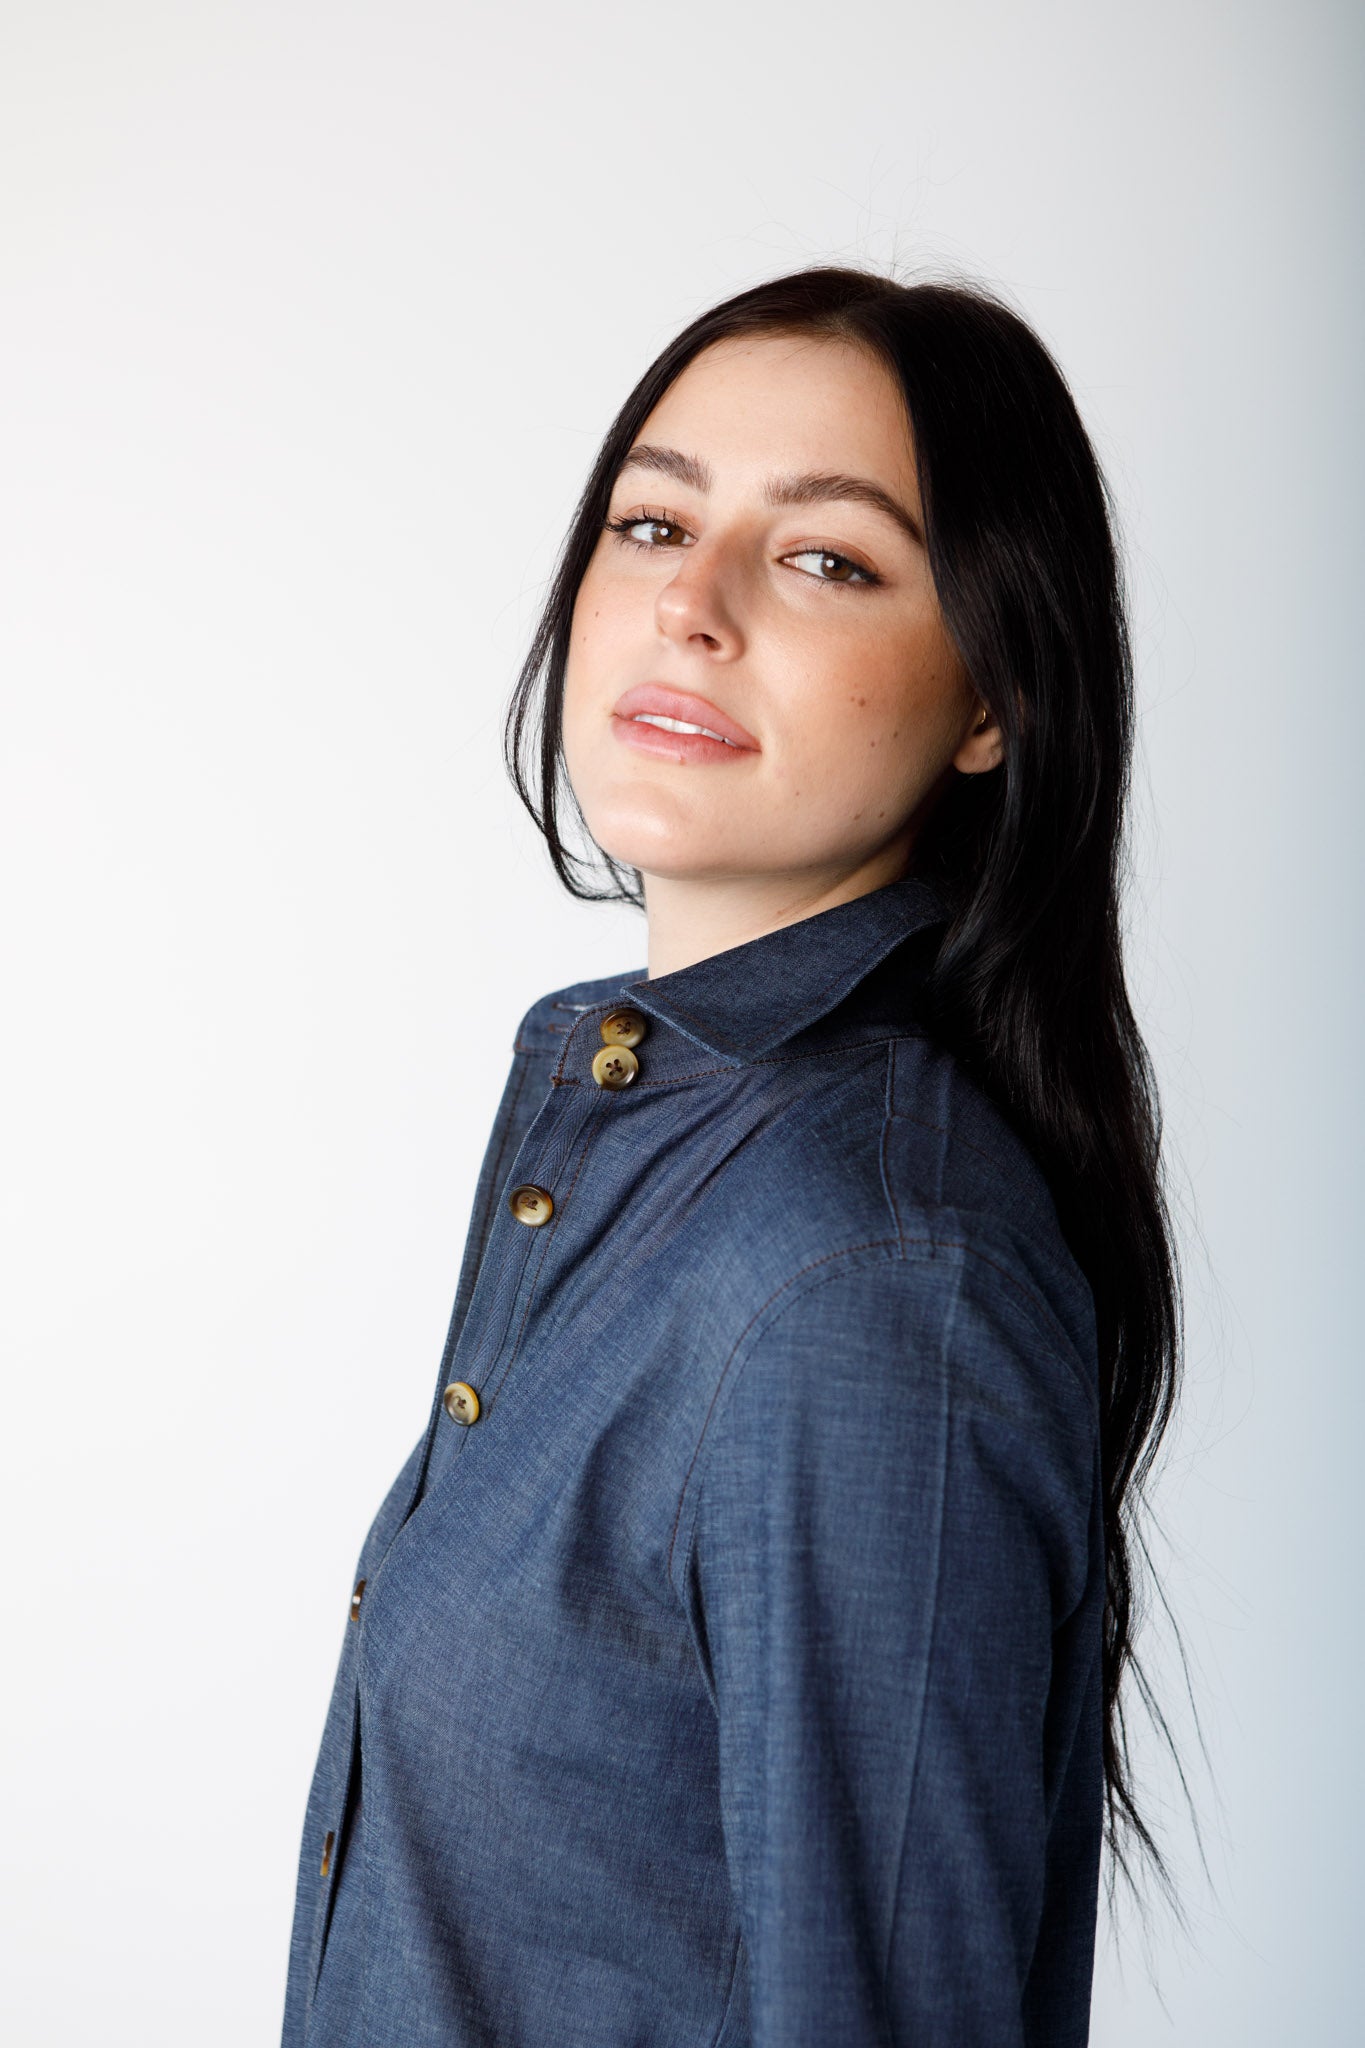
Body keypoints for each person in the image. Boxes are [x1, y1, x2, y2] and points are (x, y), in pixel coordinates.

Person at [280, 263, 1182, 2048]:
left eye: (825, 558)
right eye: (649, 520)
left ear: (992, 698)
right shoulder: (627, 1112)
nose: (689, 604)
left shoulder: (864, 1279)